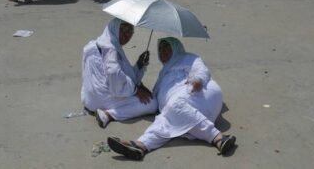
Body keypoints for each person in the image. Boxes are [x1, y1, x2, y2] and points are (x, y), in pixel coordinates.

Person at [107, 37, 236, 160]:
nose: (163, 51)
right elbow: (155, 98)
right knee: (163, 119)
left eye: (167, 47)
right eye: (160, 49)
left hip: (202, 94)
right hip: (182, 109)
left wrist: (197, 80)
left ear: (176, 47)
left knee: (174, 106)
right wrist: (140, 67)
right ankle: (141, 145)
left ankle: (217, 137)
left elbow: (201, 70)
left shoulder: (187, 58)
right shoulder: (162, 75)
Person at [81, 18, 158, 128]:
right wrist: (135, 90)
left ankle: (104, 110)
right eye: (123, 30)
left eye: (130, 32)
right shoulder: (111, 49)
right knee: (152, 103)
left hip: (88, 100)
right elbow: (114, 76)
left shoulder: (92, 45)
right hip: (102, 101)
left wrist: (139, 65)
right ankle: (108, 115)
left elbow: (122, 74)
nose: (126, 36)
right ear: (115, 29)